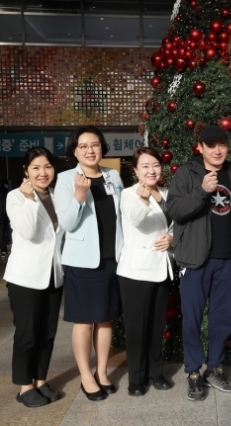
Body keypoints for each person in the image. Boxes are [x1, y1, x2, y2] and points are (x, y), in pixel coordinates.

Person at [166, 125, 231, 401]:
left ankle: (215, 367)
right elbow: (175, 210)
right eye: (211, 145)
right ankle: (192, 372)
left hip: (227, 262)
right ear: (200, 147)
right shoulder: (187, 173)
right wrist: (201, 191)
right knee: (191, 319)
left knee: (221, 320)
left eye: (222, 144)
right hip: (195, 260)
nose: (217, 150)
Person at [55, 126, 124, 401]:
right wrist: (79, 196)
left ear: (102, 147)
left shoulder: (113, 175)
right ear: (74, 151)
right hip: (83, 263)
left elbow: (122, 214)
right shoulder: (65, 179)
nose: (90, 150)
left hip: (112, 258)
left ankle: (103, 371)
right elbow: (68, 223)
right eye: (83, 146)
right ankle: (86, 375)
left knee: (106, 320)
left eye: (94, 144)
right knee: (84, 322)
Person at [5, 147, 64, 407]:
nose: (43, 173)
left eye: (48, 167)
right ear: (26, 171)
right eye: (36, 167)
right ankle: (24, 386)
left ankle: (40, 380)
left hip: (53, 275)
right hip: (25, 278)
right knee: (27, 333)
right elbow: (28, 231)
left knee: (47, 332)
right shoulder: (15, 197)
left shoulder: (57, 196)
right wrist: (29, 200)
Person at [117, 148, 174, 396]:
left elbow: (175, 225)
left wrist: (171, 238)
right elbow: (137, 220)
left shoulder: (167, 193)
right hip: (136, 271)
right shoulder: (129, 194)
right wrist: (142, 200)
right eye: (145, 166)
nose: (151, 170)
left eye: (156, 165)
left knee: (156, 325)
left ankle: (156, 372)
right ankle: (136, 379)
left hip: (161, 267)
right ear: (136, 170)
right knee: (136, 327)